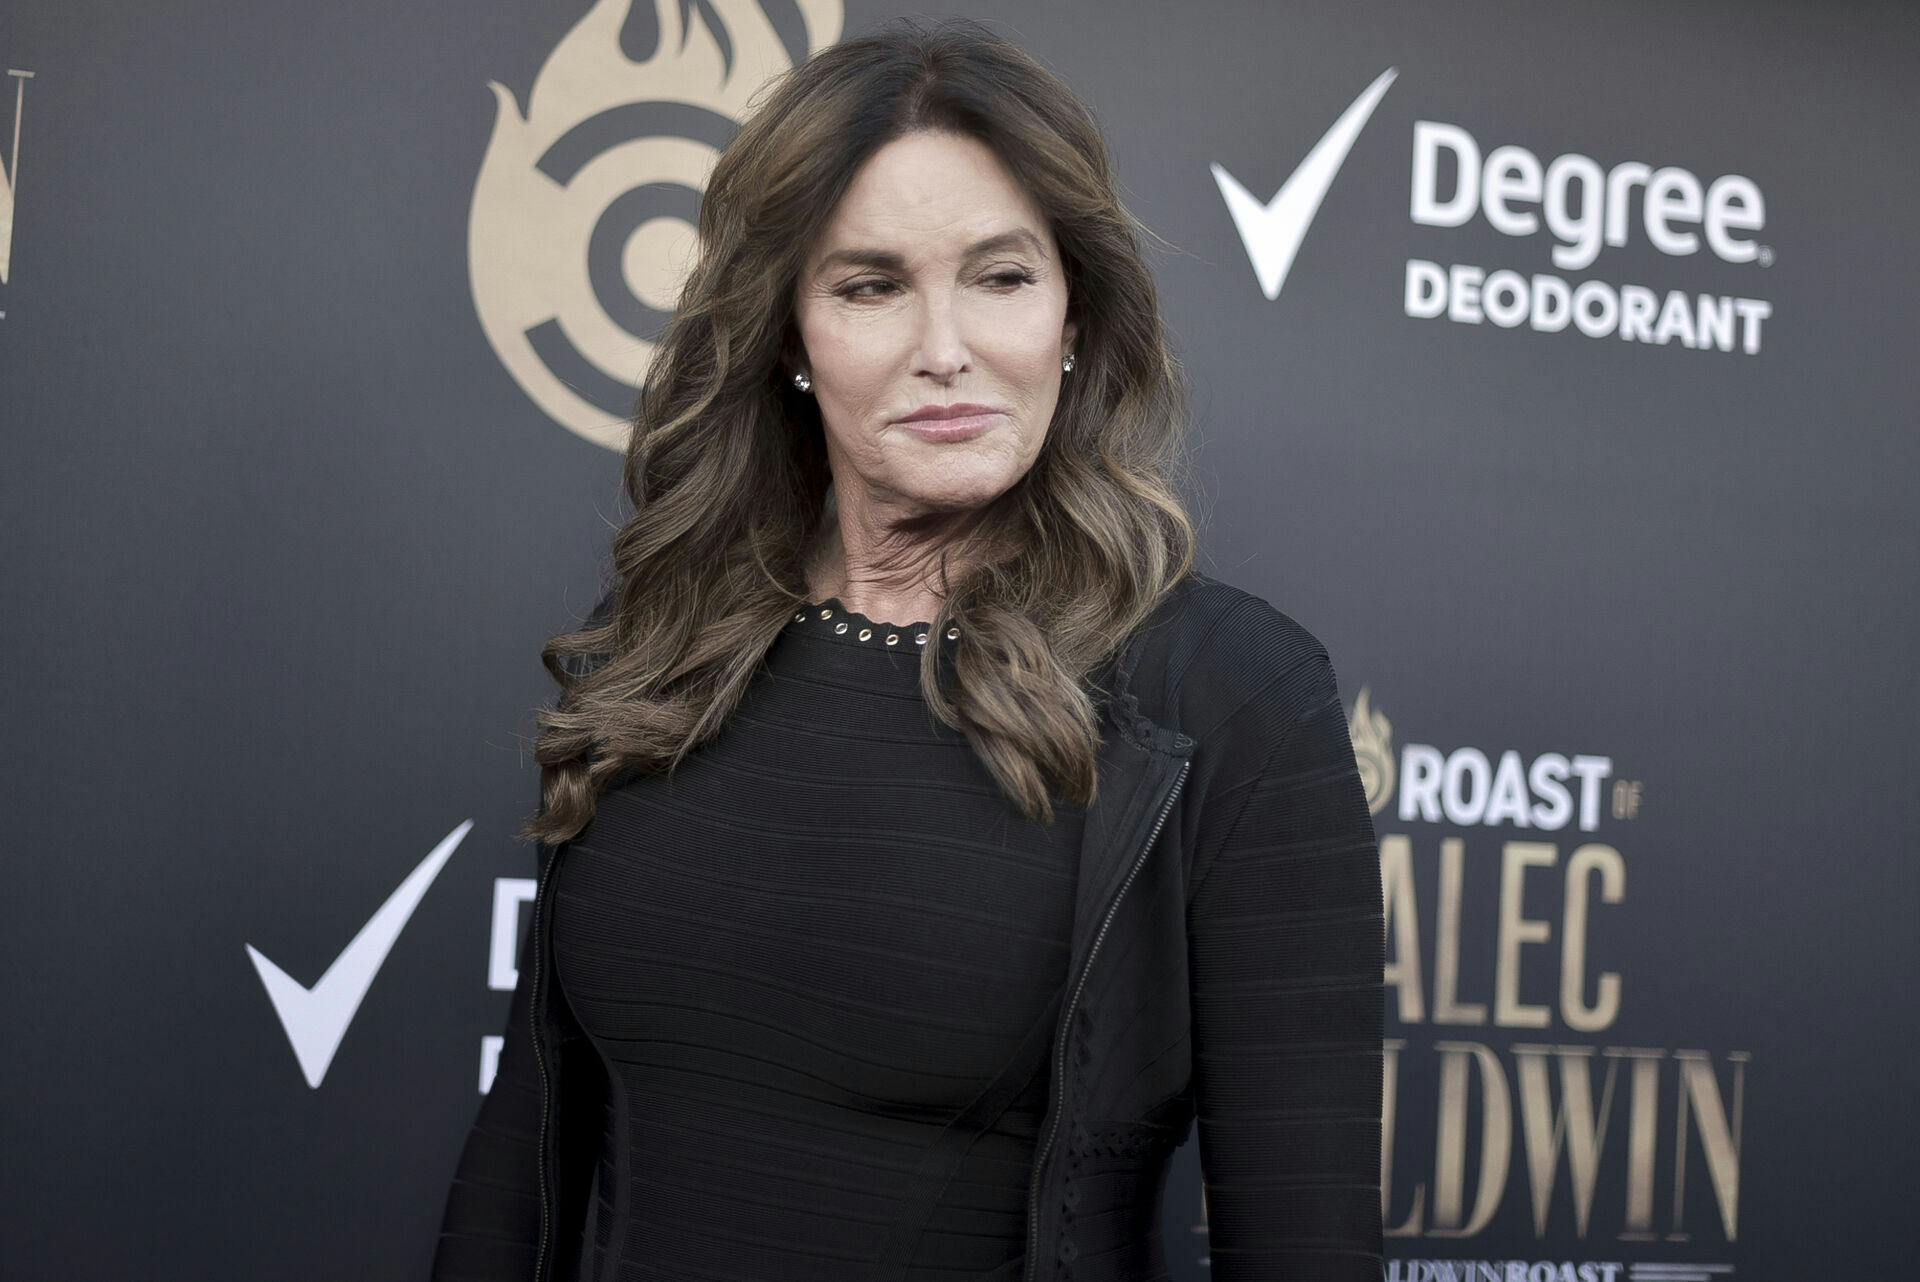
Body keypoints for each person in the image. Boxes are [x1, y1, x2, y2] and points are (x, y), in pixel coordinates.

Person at [432, 17, 1381, 1282]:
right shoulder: (667, 649)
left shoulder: (1232, 697)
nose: (947, 349)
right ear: (788, 338)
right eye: (870, 285)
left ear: (1076, 316)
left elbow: (1304, 1244)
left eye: (1000, 277)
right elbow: (520, 1159)